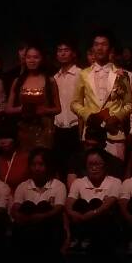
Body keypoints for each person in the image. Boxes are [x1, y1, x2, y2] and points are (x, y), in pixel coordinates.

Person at [71, 29, 132, 160]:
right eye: (96, 44)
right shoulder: (83, 74)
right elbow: (75, 103)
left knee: (115, 169)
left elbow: (129, 104)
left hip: (114, 133)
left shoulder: (121, 74)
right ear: (92, 48)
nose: (100, 48)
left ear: (110, 48)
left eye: (104, 44)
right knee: (93, 167)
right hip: (91, 133)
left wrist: (117, 117)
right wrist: (88, 115)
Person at [11, 147, 67, 259]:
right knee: (28, 206)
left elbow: (59, 208)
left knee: (44, 206)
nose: (37, 168)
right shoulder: (23, 186)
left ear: (48, 166)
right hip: (27, 227)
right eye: (33, 164)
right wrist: (25, 218)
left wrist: (41, 216)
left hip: (49, 229)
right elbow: (16, 208)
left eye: (41, 164)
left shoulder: (58, 185)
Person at [65, 148, 121, 254]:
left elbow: (110, 202)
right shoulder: (78, 182)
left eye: (98, 164)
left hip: (104, 224)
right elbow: (70, 200)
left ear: (105, 165)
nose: (94, 168)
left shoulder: (115, 182)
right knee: (80, 204)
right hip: (81, 220)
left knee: (96, 203)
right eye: (90, 164)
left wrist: (93, 213)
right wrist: (72, 213)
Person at [5, 45, 60, 152]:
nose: (32, 60)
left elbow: (58, 109)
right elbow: (8, 109)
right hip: (24, 128)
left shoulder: (50, 81)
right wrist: (22, 109)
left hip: (44, 129)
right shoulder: (18, 81)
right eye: (29, 57)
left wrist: (44, 110)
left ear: (42, 59)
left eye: (36, 57)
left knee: (42, 157)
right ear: (24, 59)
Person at [52, 38, 82, 179]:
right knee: (59, 169)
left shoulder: (81, 74)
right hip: (58, 129)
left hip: (76, 127)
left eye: (66, 50)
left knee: (75, 170)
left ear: (73, 53)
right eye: (60, 50)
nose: (62, 53)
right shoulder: (54, 77)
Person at [0, 122, 31, 192]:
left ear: (15, 139)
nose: (3, 142)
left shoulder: (27, 158)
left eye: (7, 137)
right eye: (0, 138)